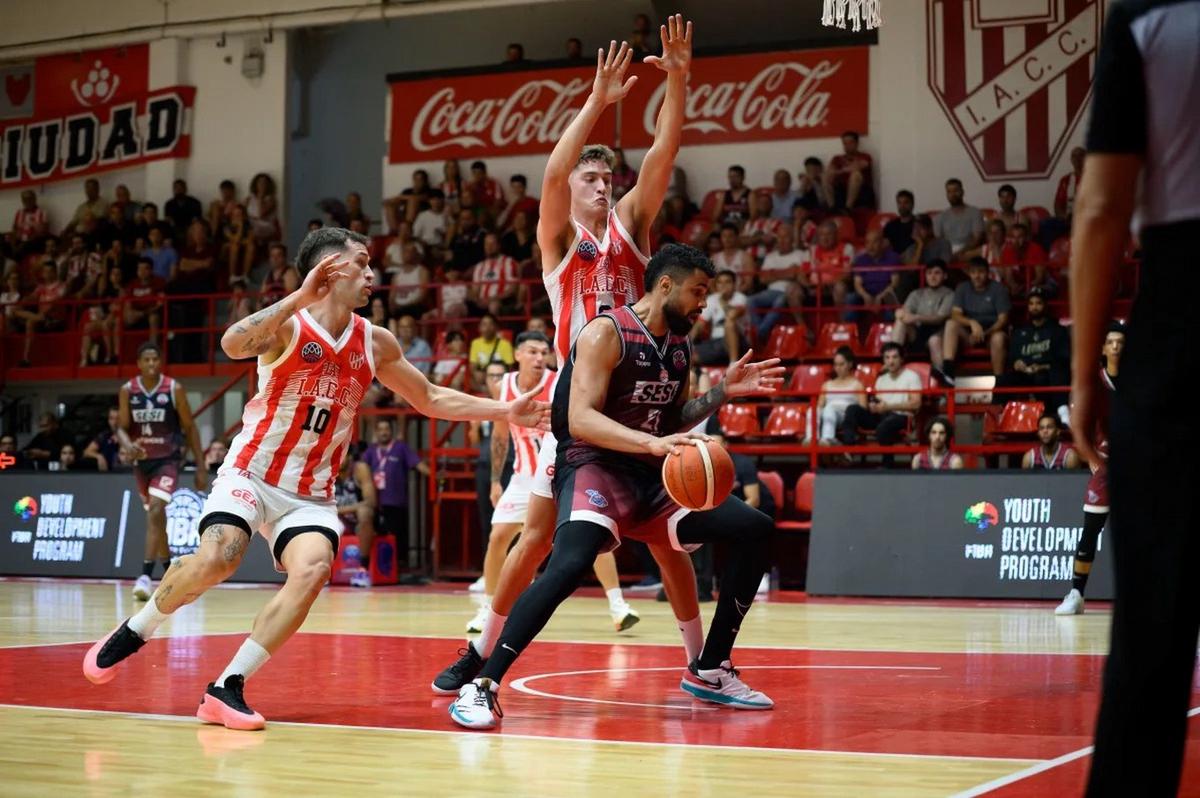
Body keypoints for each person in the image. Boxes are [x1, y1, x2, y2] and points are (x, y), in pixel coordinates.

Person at [82, 227, 551, 732]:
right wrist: (301, 295)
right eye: (362, 263)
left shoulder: (375, 341)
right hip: (253, 472)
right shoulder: (289, 325)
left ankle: (226, 688)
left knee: (313, 569)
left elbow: (431, 398)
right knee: (220, 556)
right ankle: (140, 627)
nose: (372, 275)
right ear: (330, 269)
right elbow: (232, 343)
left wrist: (507, 410)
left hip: (310, 493)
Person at [431, 23, 701, 696]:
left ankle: (701, 659)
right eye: (592, 177)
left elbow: (663, 153)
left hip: (633, 392)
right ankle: (481, 651)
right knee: (533, 543)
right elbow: (553, 171)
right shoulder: (556, 240)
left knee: (667, 544)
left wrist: (676, 77)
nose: (602, 184)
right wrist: (595, 98)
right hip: (575, 403)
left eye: (608, 176)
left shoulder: (632, 228)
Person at [448, 243, 785, 729]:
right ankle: (483, 685)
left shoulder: (679, 346)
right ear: (665, 285)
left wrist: (722, 393)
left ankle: (710, 667)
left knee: (755, 527)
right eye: (697, 291)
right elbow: (581, 419)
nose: (703, 304)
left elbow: (674, 417)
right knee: (568, 563)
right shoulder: (607, 333)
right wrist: (648, 445)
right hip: (594, 465)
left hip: (652, 476)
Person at [1070, 8, 1199, 790]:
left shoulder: (1147, 17)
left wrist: (1087, 376)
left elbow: (1100, 208)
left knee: (1153, 629)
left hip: (1184, 320)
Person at [117, 341, 207, 601]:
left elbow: (190, 428)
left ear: (160, 362)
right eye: (146, 360)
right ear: (139, 363)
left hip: (167, 459)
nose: (151, 364)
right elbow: (121, 428)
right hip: (141, 463)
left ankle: (145, 575)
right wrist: (127, 444)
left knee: (156, 509)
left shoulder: (173, 388)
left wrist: (200, 466)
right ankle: (170, 571)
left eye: (155, 359)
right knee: (157, 520)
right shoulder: (127, 390)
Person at [1056, 322, 1123, 617]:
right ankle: (1076, 593)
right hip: (1106, 467)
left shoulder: (1142, 382)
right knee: (1090, 532)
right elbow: (1078, 429)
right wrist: (1092, 457)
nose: (1117, 347)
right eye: (1112, 342)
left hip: (1140, 465)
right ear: (1103, 348)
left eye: (1121, 341)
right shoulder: (1093, 385)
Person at [362, 418, 429, 582]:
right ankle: (371, 570)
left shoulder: (401, 448)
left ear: (391, 431)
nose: (384, 432)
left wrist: (435, 476)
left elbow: (420, 465)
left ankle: (396, 571)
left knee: (397, 538)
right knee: (374, 535)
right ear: (375, 433)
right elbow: (359, 469)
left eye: (387, 429)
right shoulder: (371, 451)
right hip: (376, 503)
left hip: (396, 502)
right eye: (381, 429)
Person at [839, 342, 922, 463]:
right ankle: (848, 450)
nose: (891, 361)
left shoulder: (912, 376)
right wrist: (873, 406)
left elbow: (916, 404)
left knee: (885, 426)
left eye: (895, 357)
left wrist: (889, 407)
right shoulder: (881, 379)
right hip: (882, 415)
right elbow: (879, 402)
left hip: (902, 416)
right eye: (887, 357)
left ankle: (887, 463)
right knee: (852, 409)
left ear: (901, 359)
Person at [994, 287, 1070, 416]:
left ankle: (1060, 414)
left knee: (1053, 375)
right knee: (1003, 379)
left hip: (1048, 374)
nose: (1034, 307)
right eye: (1031, 303)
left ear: (1045, 305)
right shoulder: (1020, 332)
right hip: (1025, 374)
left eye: (1038, 303)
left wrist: (1042, 366)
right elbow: (1012, 358)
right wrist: (1017, 364)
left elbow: (1064, 359)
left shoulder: (1058, 330)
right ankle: (996, 415)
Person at [938, 257, 1011, 383]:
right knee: (951, 324)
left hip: (992, 333)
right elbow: (956, 314)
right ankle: (948, 371)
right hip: (970, 335)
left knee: (998, 338)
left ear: (988, 273)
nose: (977, 276)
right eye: (973, 272)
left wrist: (985, 333)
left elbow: (1003, 320)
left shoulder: (999, 289)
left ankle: (999, 383)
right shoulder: (962, 288)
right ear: (969, 273)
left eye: (981, 272)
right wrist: (972, 323)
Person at [891, 260, 954, 367]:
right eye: (929, 273)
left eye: (937, 273)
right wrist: (900, 314)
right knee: (900, 321)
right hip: (917, 332)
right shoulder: (916, 293)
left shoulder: (950, 294)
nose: (932, 277)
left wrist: (915, 317)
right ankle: (892, 361)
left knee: (934, 341)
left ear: (945, 276)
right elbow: (906, 312)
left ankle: (942, 377)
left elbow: (939, 318)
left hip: (939, 332)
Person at [333, 455, 377, 588]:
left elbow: (371, 502)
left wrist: (339, 510)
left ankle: (363, 570)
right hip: (338, 520)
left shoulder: (360, 469)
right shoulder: (327, 469)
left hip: (359, 522)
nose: (339, 459)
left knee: (364, 512)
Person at [692, 270, 747, 366]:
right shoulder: (712, 299)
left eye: (727, 282)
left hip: (738, 342)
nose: (723, 285)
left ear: (734, 285)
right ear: (716, 285)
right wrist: (687, 344)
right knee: (687, 356)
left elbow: (731, 315)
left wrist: (722, 300)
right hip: (716, 343)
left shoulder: (740, 298)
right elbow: (699, 325)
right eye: (720, 282)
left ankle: (733, 364)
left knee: (729, 323)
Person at [817, 346, 866, 445]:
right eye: (836, 364)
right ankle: (812, 438)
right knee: (813, 411)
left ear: (850, 364)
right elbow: (819, 406)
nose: (838, 368)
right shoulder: (826, 385)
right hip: (828, 415)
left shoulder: (858, 385)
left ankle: (828, 439)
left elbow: (863, 408)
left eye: (841, 364)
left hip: (846, 417)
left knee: (829, 409)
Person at [823, 130, 875, 210]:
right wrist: (837, 172)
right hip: (841, 190)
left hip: (861, 191)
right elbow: (830, 171)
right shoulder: (837, 158)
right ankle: (832, 208)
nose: (847, 145)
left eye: (850, 143)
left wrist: (839, 171)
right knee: (825, 176)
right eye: (845, 143)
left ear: (857, 143)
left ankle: (848, 208)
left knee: (855, 175)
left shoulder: (865, 156)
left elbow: (857, 167)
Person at [934, 179, 985, 258]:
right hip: (948, 252)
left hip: (968, 250)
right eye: (949, 192)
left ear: (962, 192)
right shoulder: (940, 217)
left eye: (956, 190)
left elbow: (977, 239)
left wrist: (960, 252)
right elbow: (938, 241)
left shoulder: (975, 212)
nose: (953, 194)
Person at [83, 407, 123, 472]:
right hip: (108, 474)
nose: (114, 422)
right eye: (111, 418)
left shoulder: (129, 435)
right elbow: (86, 452)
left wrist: (121, 441)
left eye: (118, 418)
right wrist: (99, 456)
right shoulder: (104, 436)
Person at [882, 189, 916, 256]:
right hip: (894, 262)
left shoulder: (918, 224)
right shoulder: (890, 226)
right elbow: (884, 246)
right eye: (899, 203)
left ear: (912, 204)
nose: (902, 206)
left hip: (914, 259)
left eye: (906, 202)